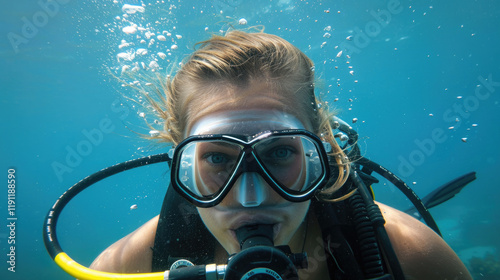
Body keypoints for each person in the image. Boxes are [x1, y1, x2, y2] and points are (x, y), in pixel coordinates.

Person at [89, 30, 472, 279]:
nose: (250, 196)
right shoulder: (126, 268)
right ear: (184, 166)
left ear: (319, 155)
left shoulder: (414, 258)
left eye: (280, 153)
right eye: (219, 159)